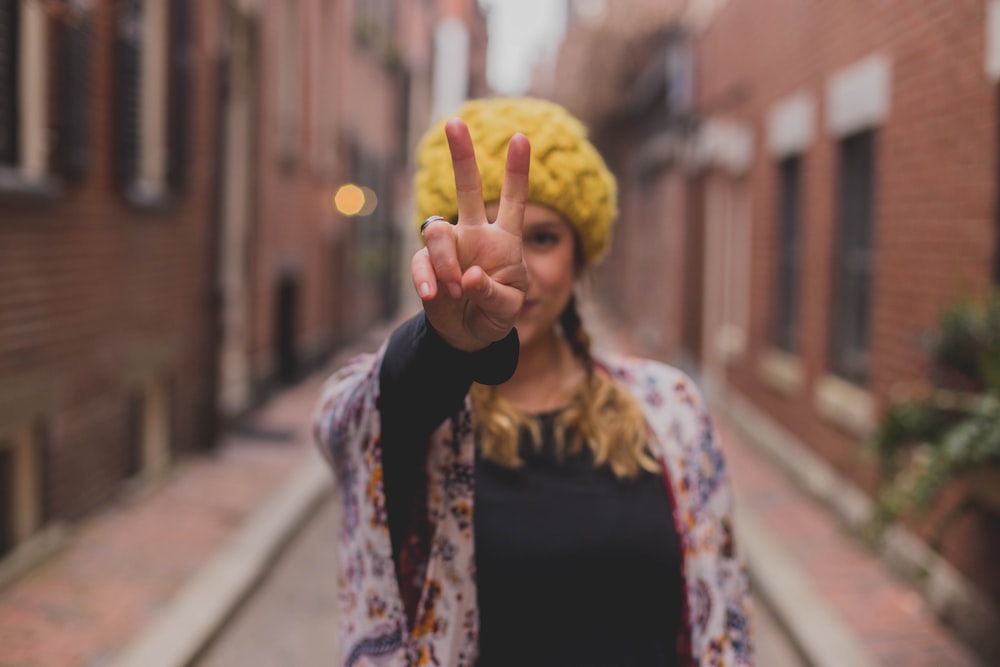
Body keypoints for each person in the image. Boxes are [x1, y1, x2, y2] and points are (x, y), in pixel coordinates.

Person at [313, 97, 753, 667]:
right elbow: (350, 417)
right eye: (482, 238)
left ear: (581, 255)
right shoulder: (428, 419)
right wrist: (448, 345)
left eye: (541, 238)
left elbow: (724, 620)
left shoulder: (670, 407)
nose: (509, 270)